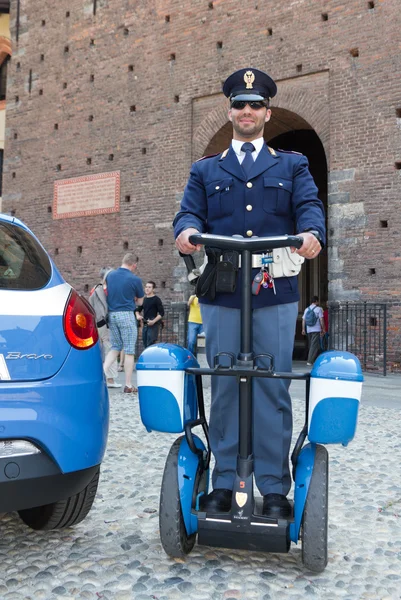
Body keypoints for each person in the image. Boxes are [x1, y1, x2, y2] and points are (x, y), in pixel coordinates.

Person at [173, 68, 326, 518]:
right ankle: (224, 481)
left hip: (273, 291)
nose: (246, 112)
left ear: (267, 112)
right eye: (239, 105)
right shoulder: (206, 169)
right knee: (224, 386)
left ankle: (275, 486)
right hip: (222, 292)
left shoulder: (291, 165)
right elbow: (188, 214)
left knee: (272, 387)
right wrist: (186, 232)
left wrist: (312, 232)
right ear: (230, 112)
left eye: (255, 105)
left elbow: (309, 207)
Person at [103, 253, 144, 393]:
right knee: (129, 350)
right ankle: (128, 384)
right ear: (134, 265)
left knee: (115, 347)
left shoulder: (109, 276)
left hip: (112, 315)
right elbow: (140, 301)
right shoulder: (135, 279)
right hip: (126, 315)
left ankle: (102, 373)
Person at [89, 267, 120, 388]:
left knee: (106, 348)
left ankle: (108, 377)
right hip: (103, 322)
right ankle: (110, 379)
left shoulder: (96, 289)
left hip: (99, 322)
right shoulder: (102, 290)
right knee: (110, 348)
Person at [136, 281, 164, 348]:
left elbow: (161, 313)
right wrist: (138, 315)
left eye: (149, 287)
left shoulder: (157, 299)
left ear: (153, 289)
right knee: (145, 344)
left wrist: (153, 321)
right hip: (145, 324)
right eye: (146, 287)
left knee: (151, 344)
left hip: (153, 325)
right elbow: (137, 310)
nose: (147, 289)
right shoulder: (144, 299)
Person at [302, 296, 326, 364]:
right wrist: (323, 328)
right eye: (318, 301)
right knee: (314, 345)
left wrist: (303, 329)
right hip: (316, 329)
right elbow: (321, 319)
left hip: (308, 329)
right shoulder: (319, 309)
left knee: (313, 344)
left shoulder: (306, 309)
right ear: (316, 301)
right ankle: (310, 361)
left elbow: (304, 320)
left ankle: (314, 358)